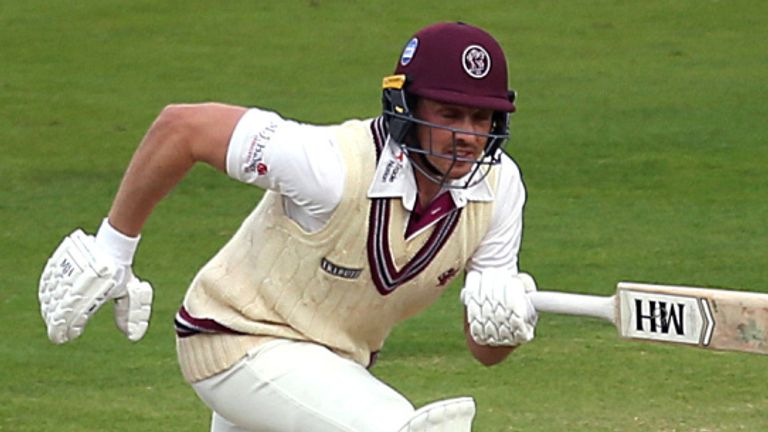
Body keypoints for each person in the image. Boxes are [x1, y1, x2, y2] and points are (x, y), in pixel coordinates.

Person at [38, 22, 539, 431]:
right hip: (236, 339)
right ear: (405, 109)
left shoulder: (499, 190)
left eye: (481, 119)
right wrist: (113, 250)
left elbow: (486, 351)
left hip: (330, 367)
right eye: (450, 114)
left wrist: (507, 322)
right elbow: (183, 127)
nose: (467, 136)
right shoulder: (330, 168)